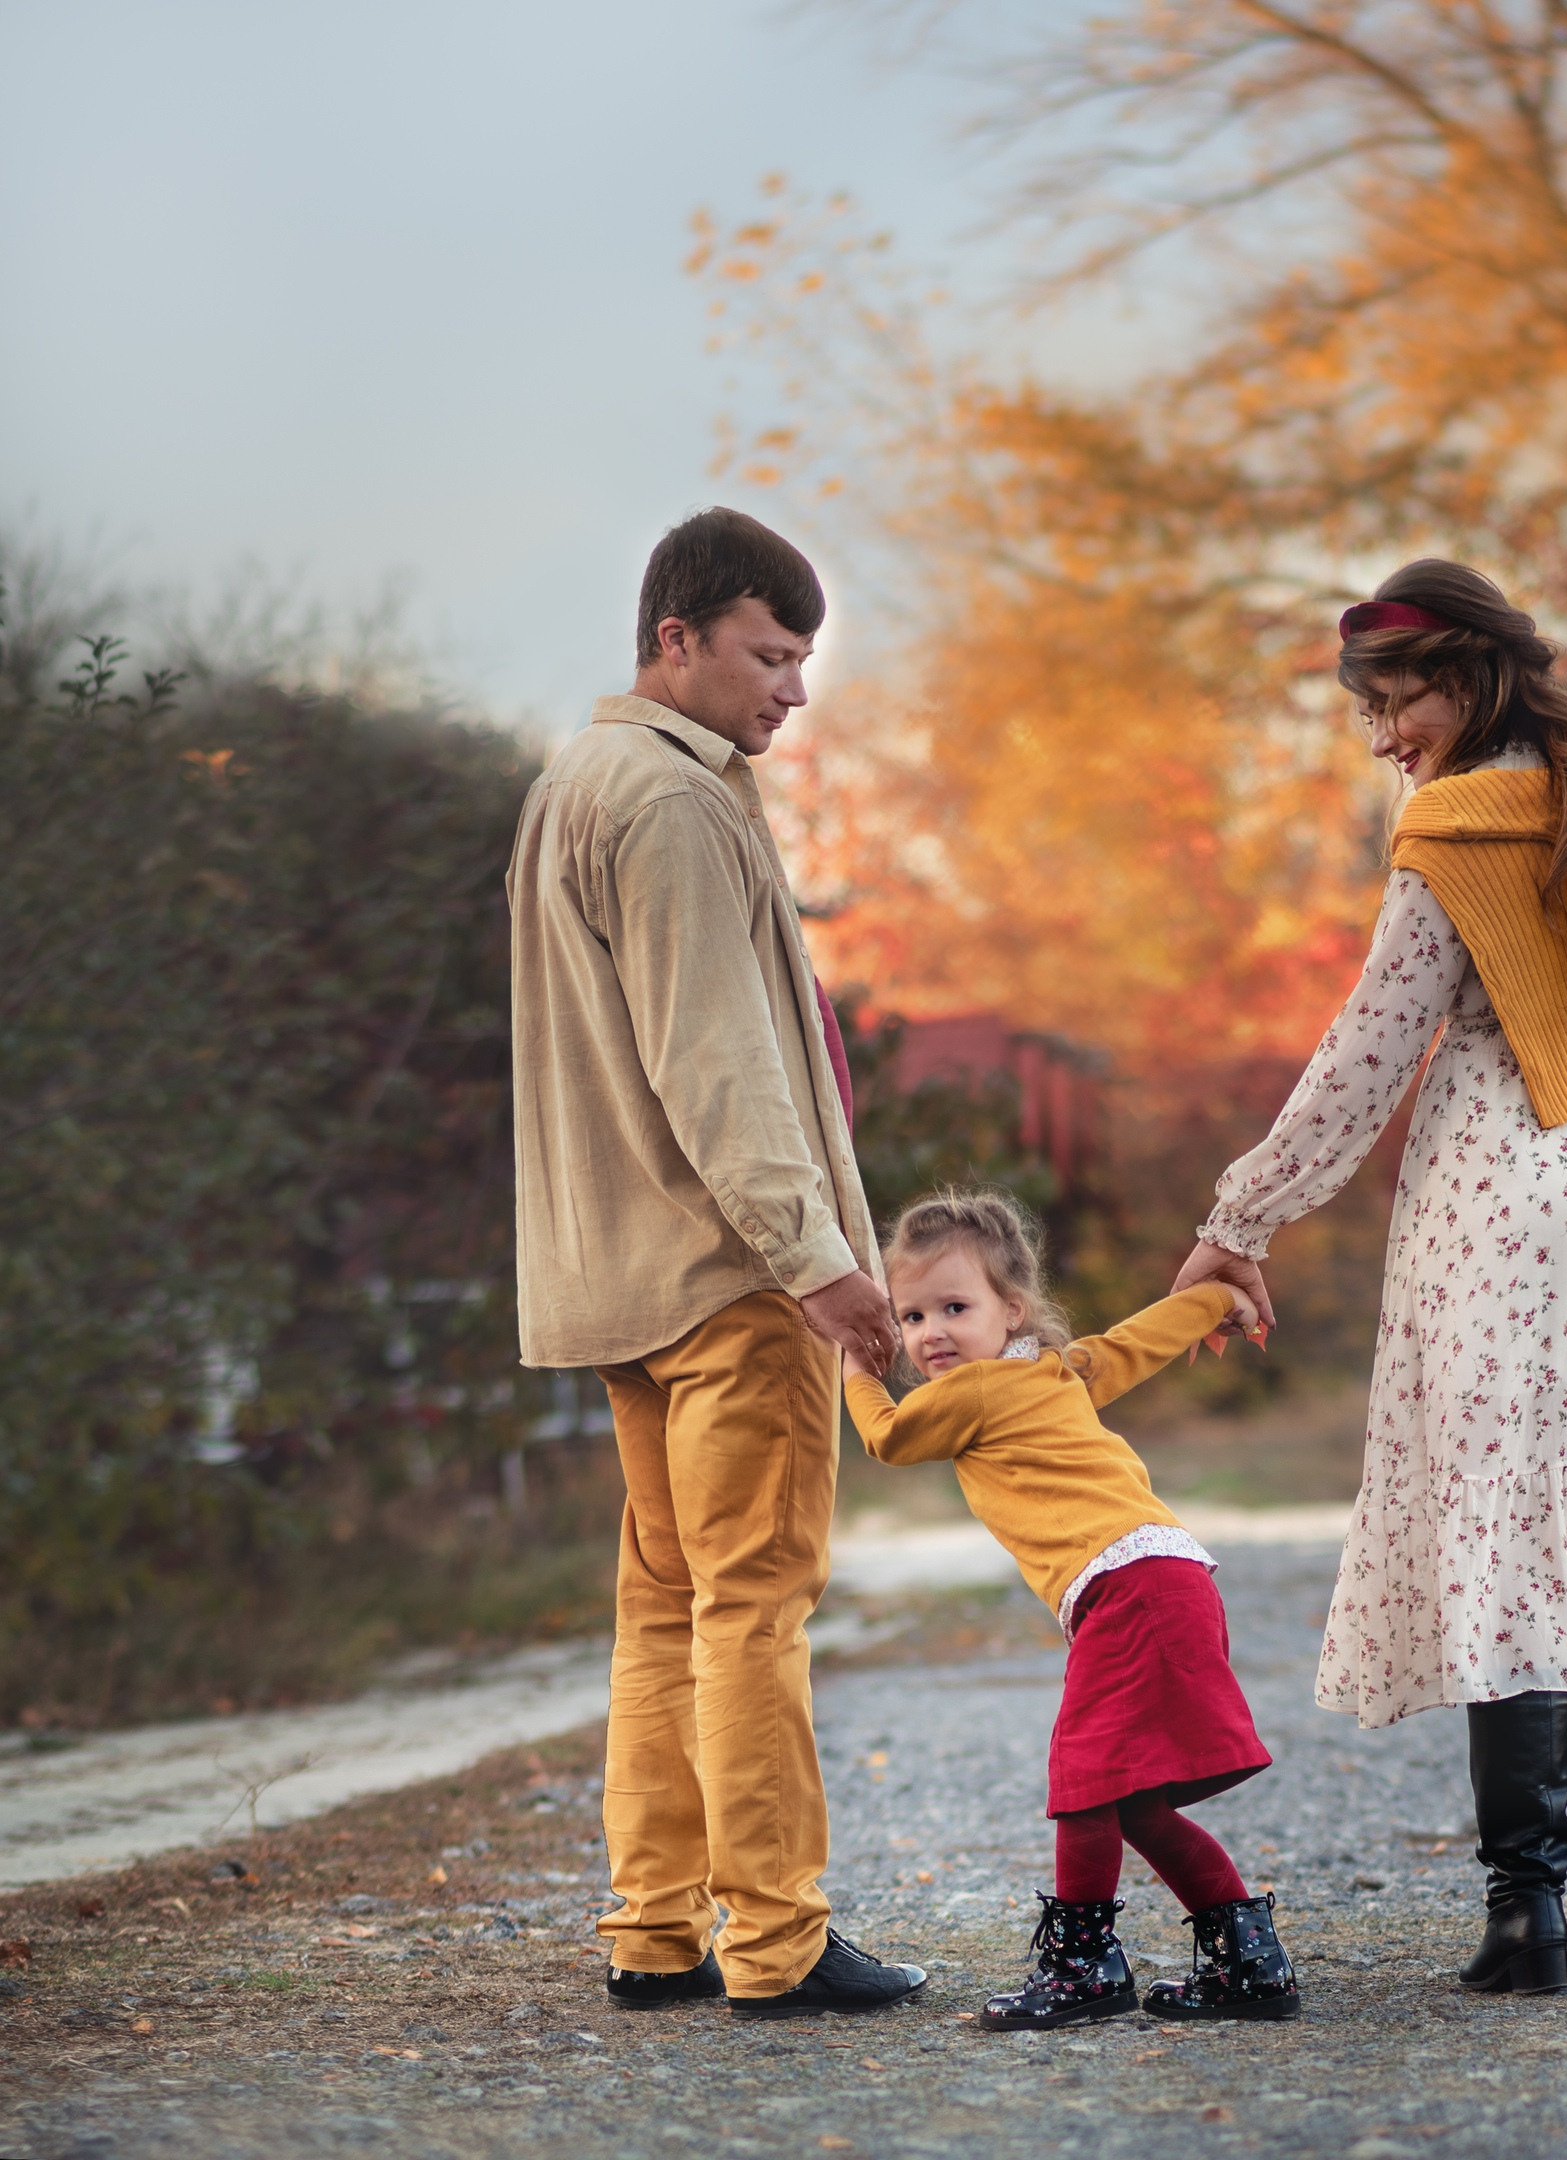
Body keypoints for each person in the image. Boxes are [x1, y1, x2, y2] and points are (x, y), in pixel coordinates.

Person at [1175, 561, 1567, 1995]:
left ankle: (1527, 1917)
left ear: (1480, 676)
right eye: (1373, 710)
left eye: (1404, 700)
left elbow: (1369, 1055)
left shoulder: (1457, 831)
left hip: (1513, 1204)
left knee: (1515, 1540)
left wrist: (1241, 1214)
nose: (1389, 735)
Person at [506, 507, 924, 2018]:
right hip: (726, 1276)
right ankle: (779, 1942)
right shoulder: (678, 804)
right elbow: (721, 1064)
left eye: (804, 659)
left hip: (623, 1276)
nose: (793, 690)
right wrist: (815, 1260)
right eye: (770, 653)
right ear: (675, 637)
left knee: (667, 1609)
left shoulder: (578, 781)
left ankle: (655, 1929)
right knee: (752, 1604)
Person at [841, 1190, 1301, 2029]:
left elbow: (887, 1438)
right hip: (1169, 1577)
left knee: (1085, 1780)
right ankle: (1247, 1963)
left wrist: (859, 1369)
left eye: (954, 1306)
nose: (931, 1332)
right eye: (910, 1316)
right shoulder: (1062, 1371)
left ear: (1010, 1311)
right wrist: (1218, 1300)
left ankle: (1085, 1969)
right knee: (1131, 1800)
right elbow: (1145, 1338)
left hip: (1128, 1587)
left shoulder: (971, 1392)